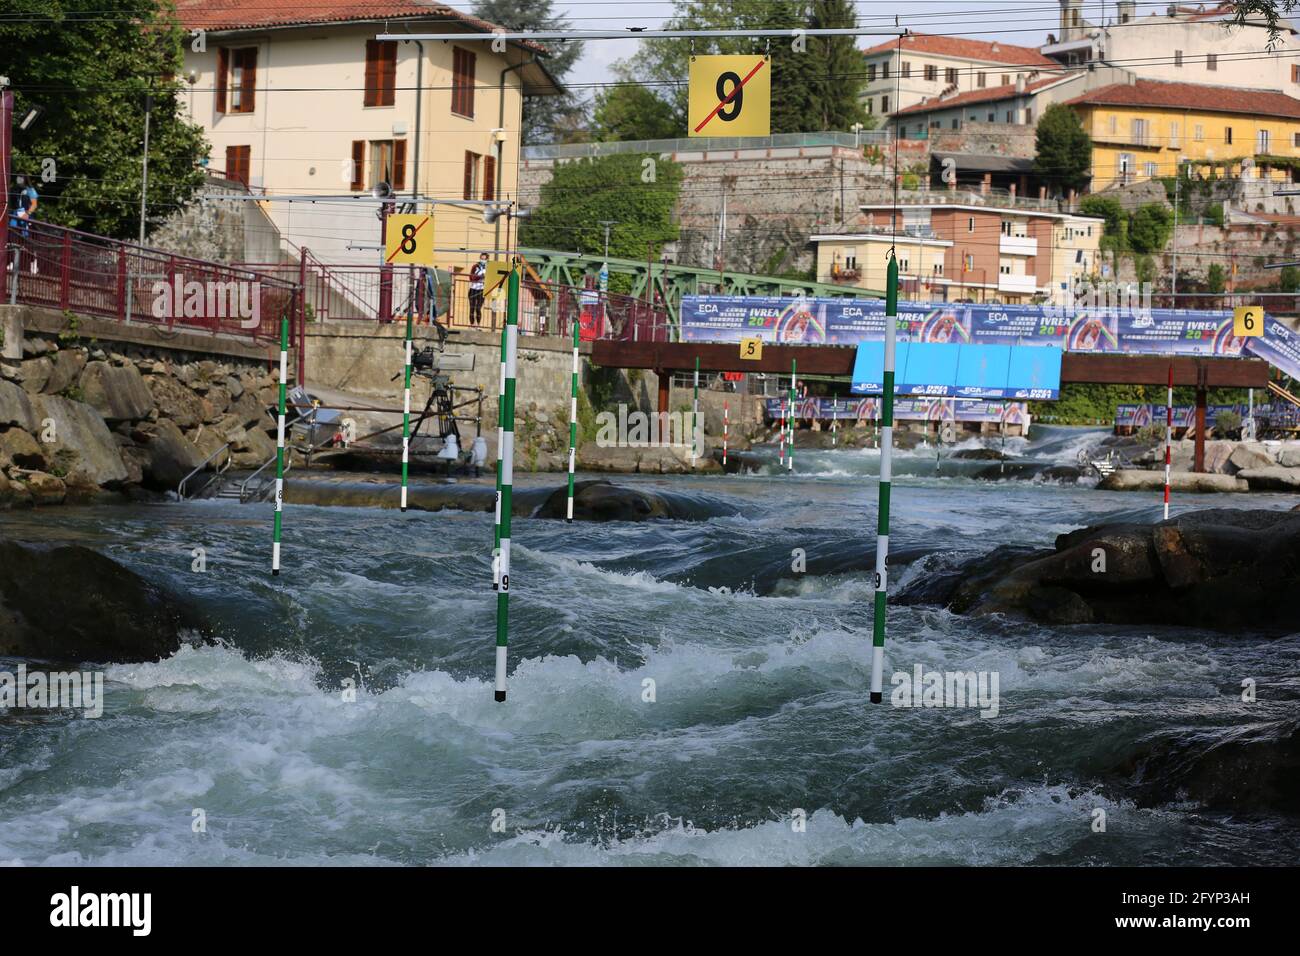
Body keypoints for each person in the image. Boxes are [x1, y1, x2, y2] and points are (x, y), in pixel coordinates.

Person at [468, 253, 487, 326]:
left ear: (486, 259)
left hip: (482, 290)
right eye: (481, 258)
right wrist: (480, 277)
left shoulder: (488, 267)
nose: (482, 260)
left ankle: (478, 324)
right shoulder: (475, 266)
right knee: (472, 307)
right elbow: (471, 278)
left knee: (478, 308)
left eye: (484, 259)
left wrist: (483, 277)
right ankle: (472, 324)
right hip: (473, 289)